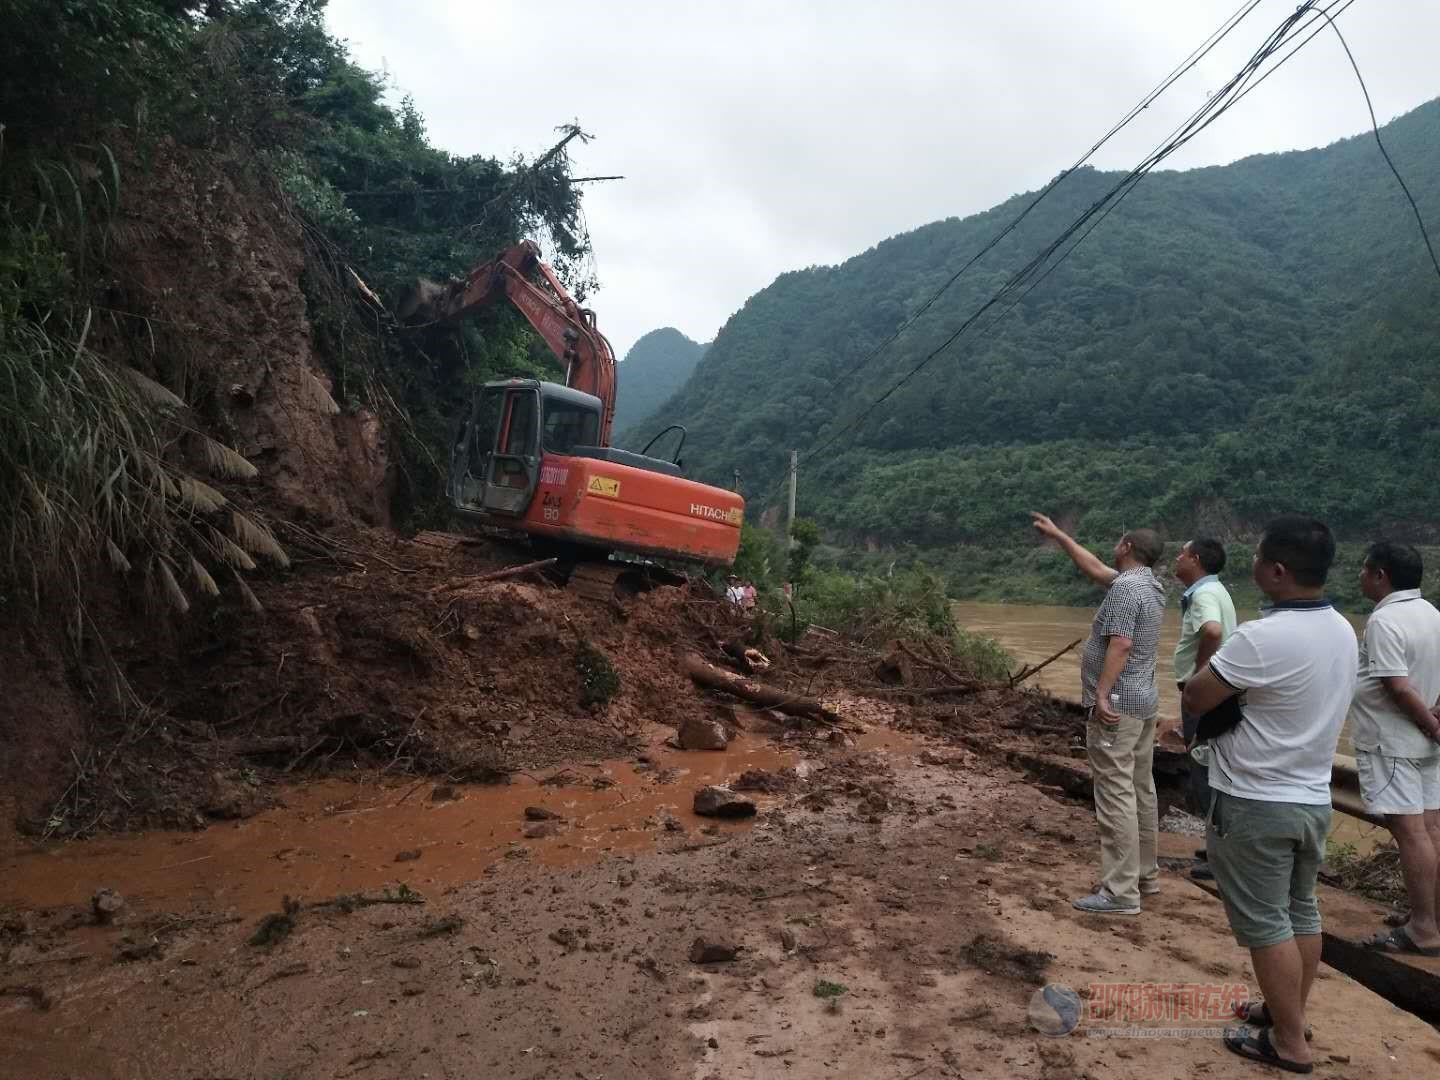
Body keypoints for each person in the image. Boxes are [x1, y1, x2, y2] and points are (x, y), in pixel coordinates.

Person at [1182, 516, 1356, 1074]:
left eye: (1257, 558)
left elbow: (1198, 696)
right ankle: (1289, 1014)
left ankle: (1290, 1044)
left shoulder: (1264, 637)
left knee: (1265, 925)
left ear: (1276, 572)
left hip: (1256, 800)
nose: (1252, 564)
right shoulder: (1344, 628)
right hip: (1311, 798)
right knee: (1301, 912)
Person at [1030, 513, 1165, 916]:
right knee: (1141, 788)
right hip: (1143, 704)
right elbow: (1092, 566)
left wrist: (1102, 694)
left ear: (1126, 547)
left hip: (1118, 707)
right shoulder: (1148, 586)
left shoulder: (1125, 591)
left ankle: (1120, 893)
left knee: (1115, 793)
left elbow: (1120, 645)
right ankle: (1145, 875)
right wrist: (1059, 535)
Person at [1348, 541, 1440, 956]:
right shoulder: (1432, 614)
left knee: (1410, 832)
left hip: (1394, 742)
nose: (1361, 577)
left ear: (1380, 575)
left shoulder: (1384, 621)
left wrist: (1429, 725)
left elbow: (1397, 686)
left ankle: (1422, 929)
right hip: (1426, 740)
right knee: (1432, 829)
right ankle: (1429, 916)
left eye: (1365, 570)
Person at [1171, 537, 1238, 881]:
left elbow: (1212, 631)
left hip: (1206, 694)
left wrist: (1199, 674)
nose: (1176, 558)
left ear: (1195, 559)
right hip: (1219, 693)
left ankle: (1219, 857)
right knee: (1213, 766)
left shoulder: (1204, 594)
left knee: (1203, 769)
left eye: (1181, 554)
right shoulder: (1216, 590)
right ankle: (1217, 846)